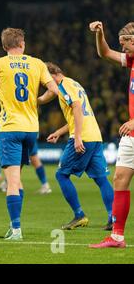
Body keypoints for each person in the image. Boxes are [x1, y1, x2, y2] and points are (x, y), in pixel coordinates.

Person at [0, 28, 58, 240]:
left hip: (10, 128)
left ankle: (16, 230)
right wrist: (39, 100)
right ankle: (13, 226)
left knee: (12, 181)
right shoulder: (37, 63)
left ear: (4, 46)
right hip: (31, 129)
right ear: (22, 43)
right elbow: (54, 90)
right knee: (19, 178)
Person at [39, 62, 114, 231]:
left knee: (61, 175)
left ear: (52, 75)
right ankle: (112, 217)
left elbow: (77, 108)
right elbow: (77, 114)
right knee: (101, 179)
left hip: (83, 137)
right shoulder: (74, 83)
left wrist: (77, 137)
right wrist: (60, 131)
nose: (46, 84)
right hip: (94, 136)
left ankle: (79, 215)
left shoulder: (64, 85)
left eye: (45, 80)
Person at [89, 21, 134, 249]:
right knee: (119, 179)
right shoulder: (132, 61)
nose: (122, 48)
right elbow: (104, 52)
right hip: (132, 135)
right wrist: (100, 34)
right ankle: (117, 237)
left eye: (124, 44)